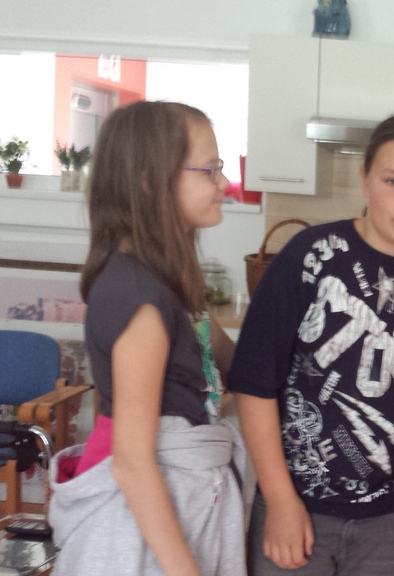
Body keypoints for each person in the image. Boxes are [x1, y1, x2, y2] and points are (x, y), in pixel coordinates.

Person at [228, 112, 394, 575]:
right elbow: (253, 384)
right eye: (392, 181)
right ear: (365, 176)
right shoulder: (310, 255)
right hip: (296, 508)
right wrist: (280, 501)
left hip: (393, 520)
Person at [48, 101, 243, 576]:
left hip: (179, 511)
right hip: (138, 537)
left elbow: (235, 366)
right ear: (149, 182)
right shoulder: (139, 299)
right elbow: (133, 464)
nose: (224, 183)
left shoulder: (168, 284)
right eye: (209, 170)